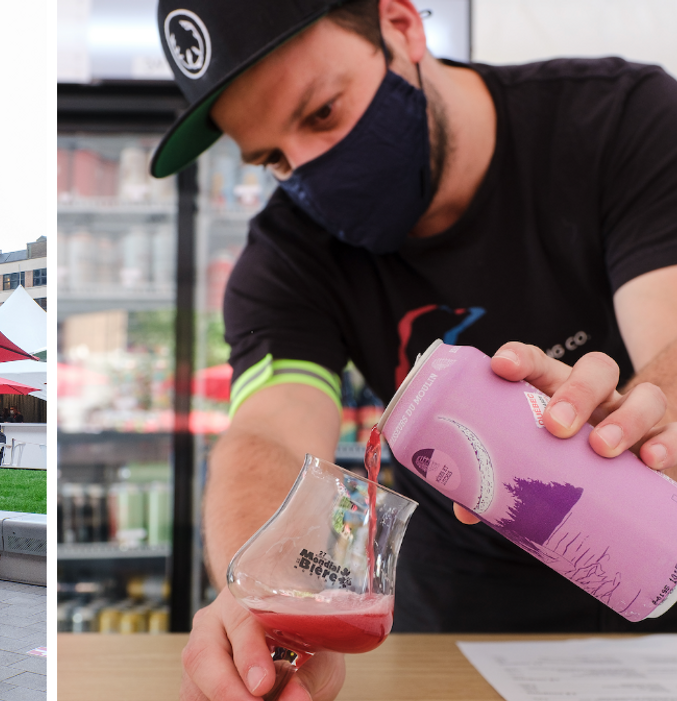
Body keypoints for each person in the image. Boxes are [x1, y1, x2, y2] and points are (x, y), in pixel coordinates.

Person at [148, 1, 677, 699]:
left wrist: (648, 414)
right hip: (465, 614)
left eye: (321, 113)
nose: (308, 167)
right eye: (273, 156)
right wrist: (267, 596)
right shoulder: (285, 259)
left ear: (401, 25)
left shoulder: (618, 119)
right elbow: (269, 431)